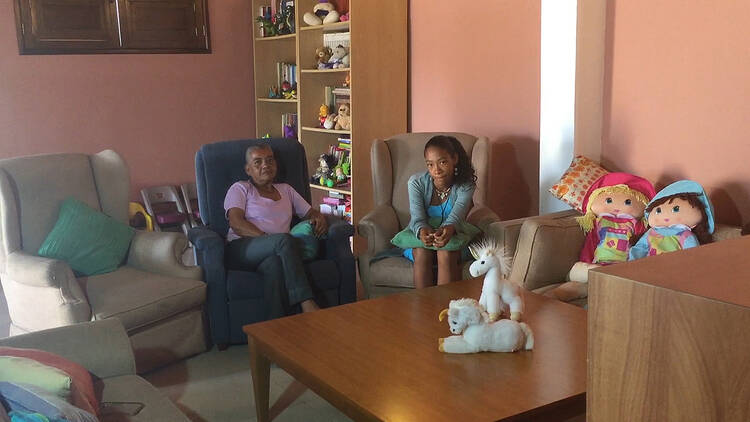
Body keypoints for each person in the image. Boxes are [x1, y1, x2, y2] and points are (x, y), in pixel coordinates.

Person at [224, 144, 328, 313]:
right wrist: (269, 239)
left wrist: (319, 217)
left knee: (274, 266)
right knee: (283, 240)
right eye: (257, 162)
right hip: (241, 248)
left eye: (270, 160)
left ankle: (277, 327)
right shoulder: (240, 188)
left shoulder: (286, 190)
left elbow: (310, 212)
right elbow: (236, 223)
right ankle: (306, 302)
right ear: (248, 169)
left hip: (276, 251)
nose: (265, 165)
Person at [405, 135, 477, 288]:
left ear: (454, 159)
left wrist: (447, 231)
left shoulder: (466, 186)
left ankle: (445, 308)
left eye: (442, 162)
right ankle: (423, 307)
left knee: (445, 252)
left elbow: (455, 218)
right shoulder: (416, 183)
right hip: (423, 240)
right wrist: (422, 231)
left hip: (454, 238)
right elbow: (417, 218)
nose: (436, 170)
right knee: (422, 251)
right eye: (430, 165)